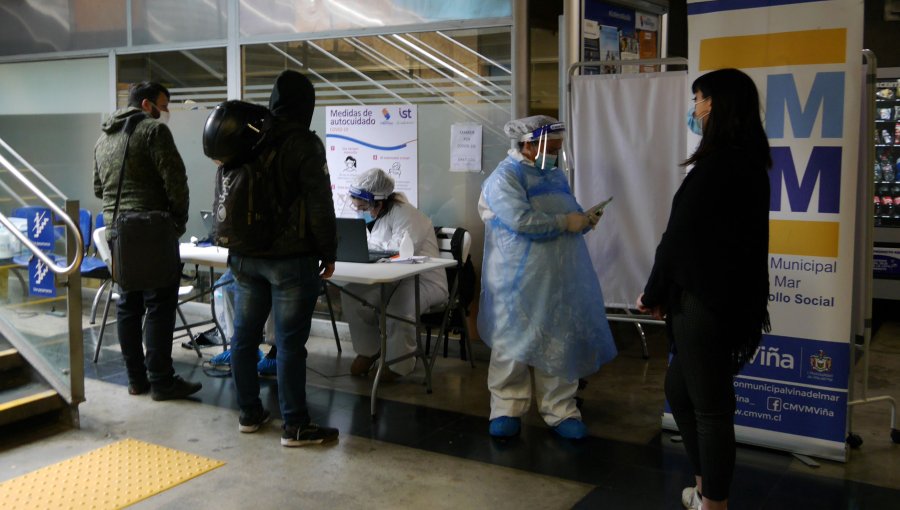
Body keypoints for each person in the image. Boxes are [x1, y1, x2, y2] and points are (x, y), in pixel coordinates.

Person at [636, 68, 771, 510]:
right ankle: (703, 489)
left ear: (713, 104)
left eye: (697, 99)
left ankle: (713, 503)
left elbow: (679, 238)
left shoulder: (721, 164)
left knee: (711, 408)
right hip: (725, 298)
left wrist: (653, 292)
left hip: (704, 300)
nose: (694, 109)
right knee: (680, 391)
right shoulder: (747, 159)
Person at [213, 71, 339, 447]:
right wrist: (328, 252)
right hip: (290, 260)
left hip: (245, 255)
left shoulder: (249, 135)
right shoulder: (304, 143)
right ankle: (295, 425)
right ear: (307, 104)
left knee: (244, 335)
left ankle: (249, 413)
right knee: (289, 344)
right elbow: (320, 204)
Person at [478, 115, 617, 440]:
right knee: (512, 343)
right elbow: (521, 221)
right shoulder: (505, 178)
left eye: (558, 147)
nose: (554, 153)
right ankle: (506, 407)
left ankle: (561, 409)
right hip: (516, 280)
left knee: (558, 342)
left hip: (558, 279)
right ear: (528, 144)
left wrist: (583, 219)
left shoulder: (554, 175)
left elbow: (568, 208)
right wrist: (564, 223)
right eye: (551, 147)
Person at [92, 81, 202, 401]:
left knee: (128, 305)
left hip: (118, 234)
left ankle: (136, 380)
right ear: (146, 105)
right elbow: (176, 181)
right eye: (163, 105)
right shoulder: (153, 131)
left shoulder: (102, 138)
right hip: (152, 231)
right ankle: (163, 381)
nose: (165, 112)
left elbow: (99, 189)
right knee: (159, 305)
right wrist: (177, 224)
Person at [342, 168, 448, 381]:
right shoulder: (382, 215)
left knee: (398, 309)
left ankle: (398, 364)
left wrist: (373, 255)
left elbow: (398, 251)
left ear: (378, 201)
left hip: (424, 279)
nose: (361, 211)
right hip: (392, 278)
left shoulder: (407, 215)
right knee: (353, 295)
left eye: (363, 206)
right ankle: (370, 350)